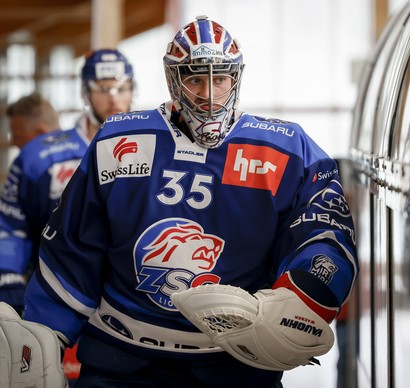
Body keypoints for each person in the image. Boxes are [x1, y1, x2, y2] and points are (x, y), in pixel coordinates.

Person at [3, 16, 359, 387]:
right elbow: (72, 249)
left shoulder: (286, 148)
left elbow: (324, 226)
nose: (208, 94)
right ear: (174, 81)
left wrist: (307, 291)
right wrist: (45, 334)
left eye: (219, 79)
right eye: (194, 79)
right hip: (121, 357)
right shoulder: (118, 141)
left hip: (237, 358)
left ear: (235, 79)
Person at [0, 48, 135, 315]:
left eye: (122, 88)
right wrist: (8, 276)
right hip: (57, 298)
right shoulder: (39, 156)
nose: (113, 98)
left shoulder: (158, 150)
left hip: (131, 303)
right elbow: (11, 224)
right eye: (103, 88)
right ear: (85, 92)